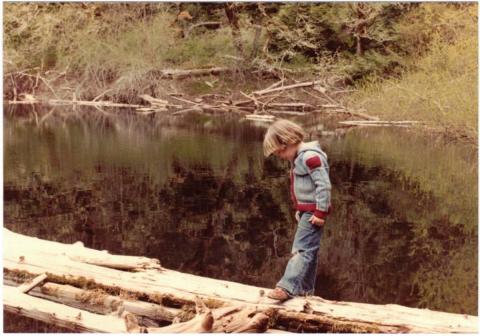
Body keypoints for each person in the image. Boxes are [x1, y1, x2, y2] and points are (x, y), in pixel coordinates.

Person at [263, 119, 332, 301]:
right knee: (310, 251)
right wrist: (300, 209)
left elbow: (323, 186)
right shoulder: (299, 157)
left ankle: (287, 287)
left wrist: (320, 212)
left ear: (289, 141)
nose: (280, 155)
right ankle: (306, 291)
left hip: (314, 213)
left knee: (301, 250)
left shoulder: (310, 157)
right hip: (307, 211)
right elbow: (305, 188)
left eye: (280, 151)